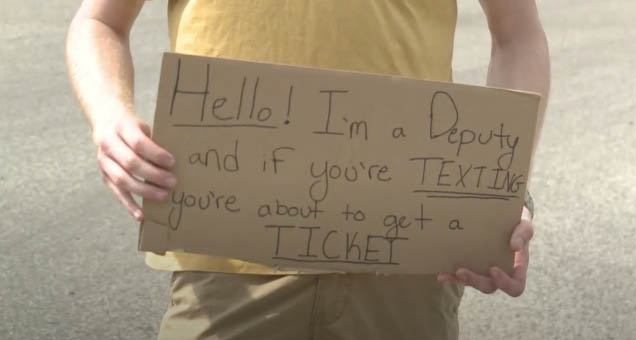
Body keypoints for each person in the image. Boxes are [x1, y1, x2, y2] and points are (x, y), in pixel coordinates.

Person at [66, 0, 550, 339]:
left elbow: (517, 33)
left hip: (404, 265)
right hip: (226, 265)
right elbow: (99, 22)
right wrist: (109, 117)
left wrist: (504, 192)